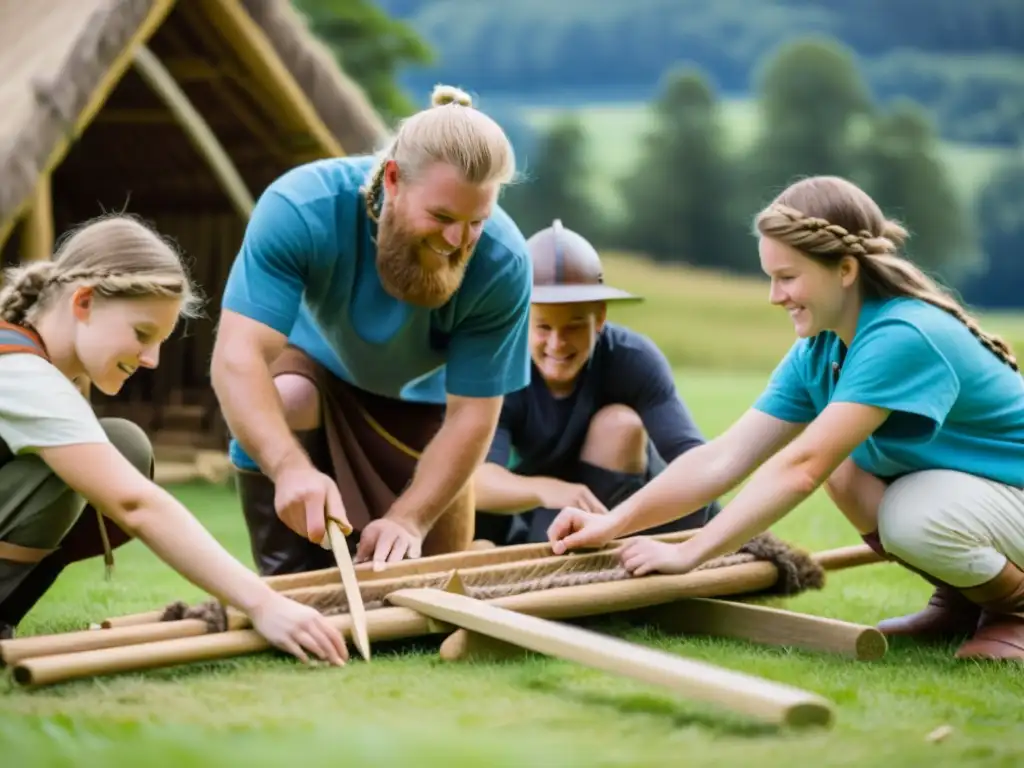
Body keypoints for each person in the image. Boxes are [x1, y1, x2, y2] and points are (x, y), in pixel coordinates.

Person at [546, 175, 1024, 661]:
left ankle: (1015, 612)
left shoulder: (902, 335)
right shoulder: (818, 349)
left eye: (788, 277)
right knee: (847, 470)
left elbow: (801, 467)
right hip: (987, 502)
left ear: (845, 269)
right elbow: (724, 457)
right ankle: (963, 602)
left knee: (908, 515)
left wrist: (691, 553)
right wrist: (614, 525)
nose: (775, 296)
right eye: (770, 277)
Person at [211, 84, 532, 576]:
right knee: (290, 395)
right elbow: (238, 356)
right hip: (316, 378)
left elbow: (473, 414)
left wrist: (410, 519)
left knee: (430, 596)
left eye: (475, 222)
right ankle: (285, 576)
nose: (455, 240)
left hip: (425, 418)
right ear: (394, 178)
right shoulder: (301, 207)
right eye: (442, 216)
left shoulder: (504, 263)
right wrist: (289, 468)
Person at [0, 213, 347, 666]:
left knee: (123, 446)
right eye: (142, 334)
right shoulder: (22, 374)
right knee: (119, 457)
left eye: (160, 341)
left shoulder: (36, 366)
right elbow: (136, 505)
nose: (151, 359)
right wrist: (264, 604)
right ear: (83, 302)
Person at [473, 220, 719, 546]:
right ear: (520, 319)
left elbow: (693, 458)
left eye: (574, 326)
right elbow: (474, 481)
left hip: (627, 503)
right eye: (544, 327)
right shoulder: (499, 369)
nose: (557, 344)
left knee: (619, 425)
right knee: (469, 526)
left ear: (600, 317)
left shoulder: (633, 358)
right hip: (544, 502)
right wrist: (549, 491)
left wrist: (720, 525)